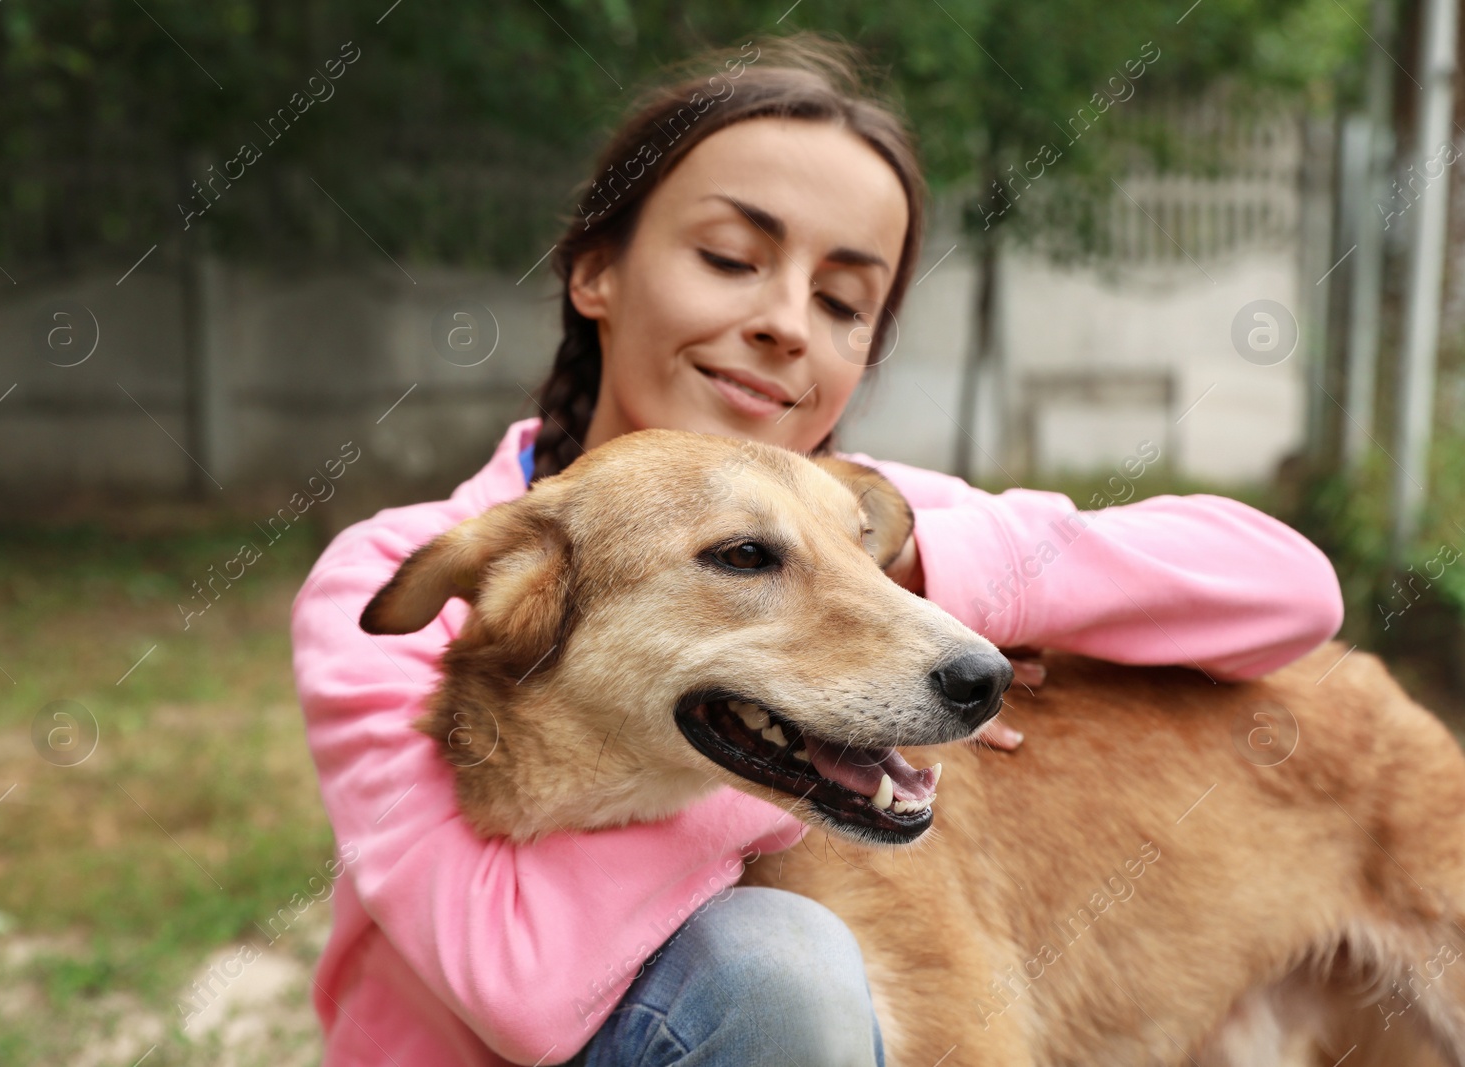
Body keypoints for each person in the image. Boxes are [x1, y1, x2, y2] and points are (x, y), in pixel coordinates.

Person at [289, 32, 1344, 1067]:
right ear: (594, 269)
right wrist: (774, 753)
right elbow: (515, 984)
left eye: (844, 301)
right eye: (729, 258)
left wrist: (935, 580)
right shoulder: (406, 576)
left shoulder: (864, 513)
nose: (787, 322)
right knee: (769, 963)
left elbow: (1289, 587)